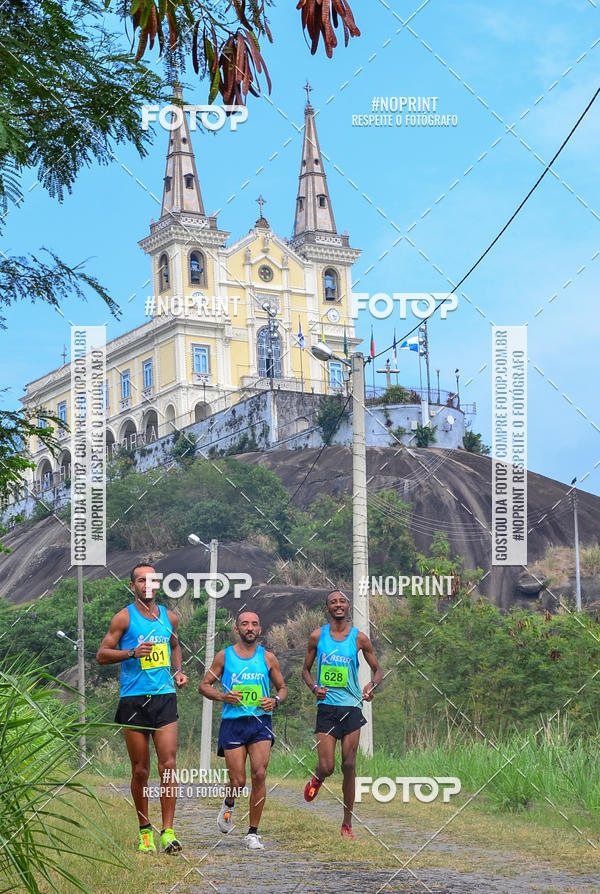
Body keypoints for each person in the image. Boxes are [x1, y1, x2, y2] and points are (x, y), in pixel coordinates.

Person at [96, 562, 188, 854]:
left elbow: (174, 646)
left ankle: (168, 832)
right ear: (133, 586)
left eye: (152, 580)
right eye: (140, 580)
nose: (147, 585)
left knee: (169, 766)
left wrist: (177, 671)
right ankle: (144, 830)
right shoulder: (123, 618)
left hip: (164, 698)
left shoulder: (169, 617)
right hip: (134, 699)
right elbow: (101, 654)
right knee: (140, 771)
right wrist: (132, 652)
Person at [199, 610, 286, 850]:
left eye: (254, 624)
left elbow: (282, 688)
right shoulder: (224, 656)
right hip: (233, 724)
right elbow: (204, 686)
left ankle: (253, 833)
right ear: (236, 629)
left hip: (259, 722)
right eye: (245, 624)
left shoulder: (268, 658)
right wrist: (222, 696)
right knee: (237, 779)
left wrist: (275, 701)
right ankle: (229, 802)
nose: (250, 628)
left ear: (260, 630)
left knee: (259, 774)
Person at [301, 589, 382, 839]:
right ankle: (318, 777)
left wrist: (371, 686)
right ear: (327, 609)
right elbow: (305, 669)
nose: (338, 605)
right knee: (327, 766)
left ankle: (347, 822)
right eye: (333, 602)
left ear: (348, 607)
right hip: (326, 708)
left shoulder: (359, 638)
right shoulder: (317, 636)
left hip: (352, 706)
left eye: (342, 601)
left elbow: (377, 670)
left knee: (349, 764)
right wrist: (314, 687)